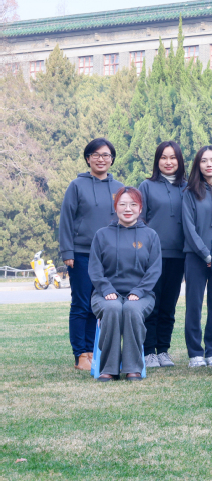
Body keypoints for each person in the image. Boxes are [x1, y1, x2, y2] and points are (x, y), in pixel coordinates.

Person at [59, 138, 125, 372]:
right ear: (88, 158)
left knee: (101, 305)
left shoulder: (119, 188)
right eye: (95, 155)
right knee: (82, 304)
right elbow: (66, 220)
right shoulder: (76, 185)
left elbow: (125, 219)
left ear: (112, 159)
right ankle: (81, 354)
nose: (101, 159)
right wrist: (67, 251)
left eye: (106, 155)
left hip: (109, 256)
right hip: (81, 253)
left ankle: (95, 351)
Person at [88, 187, 162, 382]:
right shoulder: (102, 235)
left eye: (133, 204)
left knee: (131, 308)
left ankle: (133, 368)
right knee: (112, 308)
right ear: (115, 207)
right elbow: (95, 269)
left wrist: (139, 291)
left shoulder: (151, 235)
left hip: (142, 295)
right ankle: (109, 368)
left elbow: (154, 270)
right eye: (122, 204)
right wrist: (106, 289)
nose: (128, 209)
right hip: (105, 294)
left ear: (140, 208)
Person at [138, 141, 186, 369]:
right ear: (157, 161)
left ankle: (163, 350)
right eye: (163, 157)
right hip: (152, 256)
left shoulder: (188, 187)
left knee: (169, 305)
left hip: (179, 255)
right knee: (151, 305)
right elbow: (139, 220)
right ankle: (148, 351)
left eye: (173, 157)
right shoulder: (146, 186)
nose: (168, 162)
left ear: (179, 160)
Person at [182, 145, 212, 368]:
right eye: (204, 160)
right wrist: (205, 254)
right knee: (194, 305)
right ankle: (195, 353)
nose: (209, 164)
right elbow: (189, 228)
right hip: (195, 257)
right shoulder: (190, 193)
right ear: (198, 165)